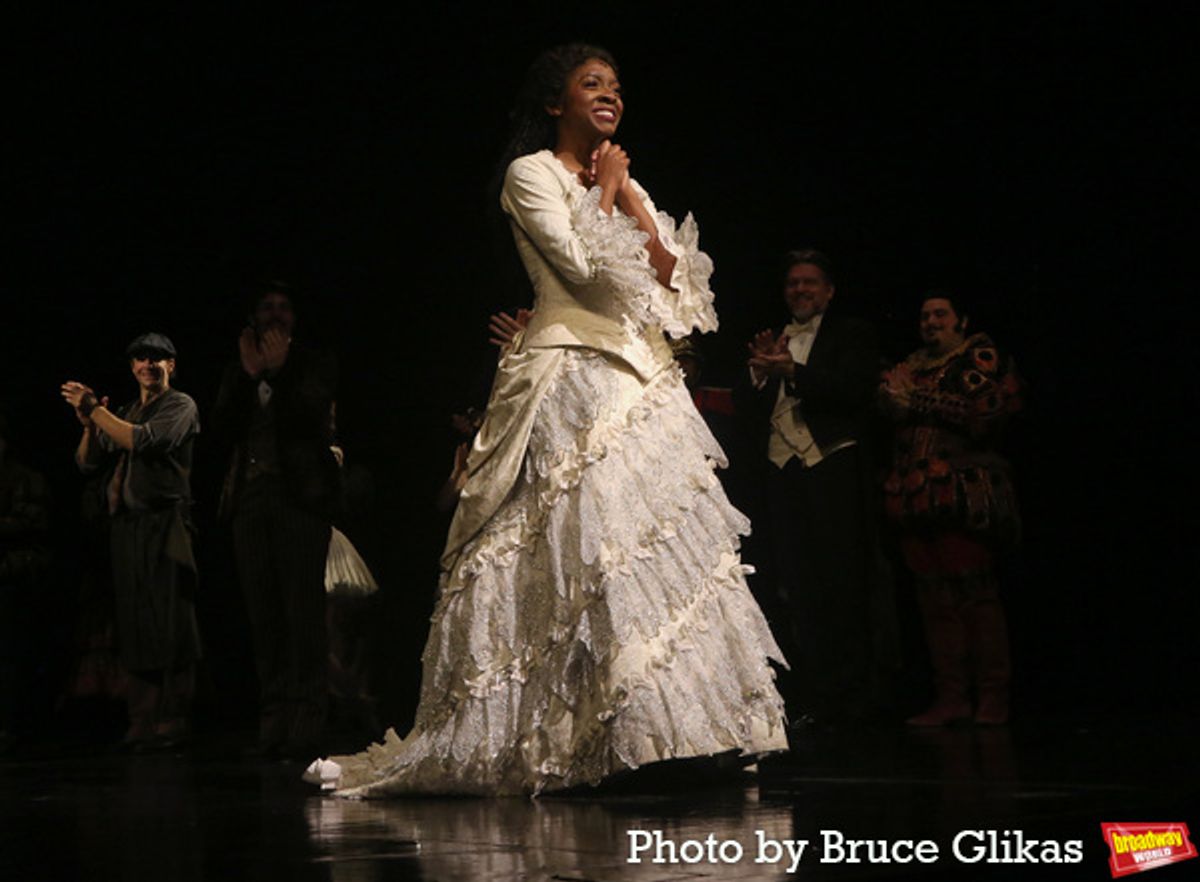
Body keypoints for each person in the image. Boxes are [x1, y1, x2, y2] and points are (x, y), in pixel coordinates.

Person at [306, 43, 787, 797]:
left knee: (657, 546)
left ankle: (691, 728)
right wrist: (610, 194)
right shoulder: (529, 174)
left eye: (617, 87)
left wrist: (628, 199)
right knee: (588, 546)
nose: (610, 95)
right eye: (592, 84)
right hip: (572, 375)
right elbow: (582, 270)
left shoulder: (622, 182)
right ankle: (592, 732)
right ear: (554, 103)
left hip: (640, 379)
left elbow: (679, 294)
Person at [740, 250, 888, 728]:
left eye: (809, 283)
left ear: (828, 290)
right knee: (798, 589)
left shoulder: (852, 334)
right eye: (792, 284)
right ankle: (816, 696)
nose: (800, 290)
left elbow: (853, 390)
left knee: (842, 584)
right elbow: (751, 412)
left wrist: (794, 372)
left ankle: (856, 696)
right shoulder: (778, 337)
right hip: (784, 473)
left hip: (832, 468)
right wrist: (762, 373)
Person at [879, 293, 1023, 726]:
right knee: (933, 600)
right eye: (924, 315)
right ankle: (952, 697)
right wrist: (891, 401)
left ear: (961, 319)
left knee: (975, 596)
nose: (930, 322)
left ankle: (992, 696)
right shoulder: (911, 366)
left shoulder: (978, 358)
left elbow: (988, 412)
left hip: (962, 497)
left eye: (940, 314)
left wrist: (916, 401)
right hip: (916, 499)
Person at [211, 282, 339, 762]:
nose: (275, 315)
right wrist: (248, 378)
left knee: (302, 613)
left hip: (298, 500)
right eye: (267, 306)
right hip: (249, 501)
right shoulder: (236, 368)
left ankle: (308, 722)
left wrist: (280, 373)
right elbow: (221, 431)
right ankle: (273, 720)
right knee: (263, 615)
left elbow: (312, 422)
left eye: (284, 307)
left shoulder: (313, 362)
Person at [61, 333, 202, 748]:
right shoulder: (124, 411)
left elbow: (140, 440)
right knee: (136, 623)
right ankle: (142, 719)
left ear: (171, 366)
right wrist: (89, 425)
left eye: (158, 358)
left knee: (171, 621)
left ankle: (172, 717)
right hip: (128, 528)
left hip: (165, 525)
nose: (148, 364)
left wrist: (94, 411)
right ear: (132, 367)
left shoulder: (180, 405)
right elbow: (86, 461)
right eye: (141, 358)